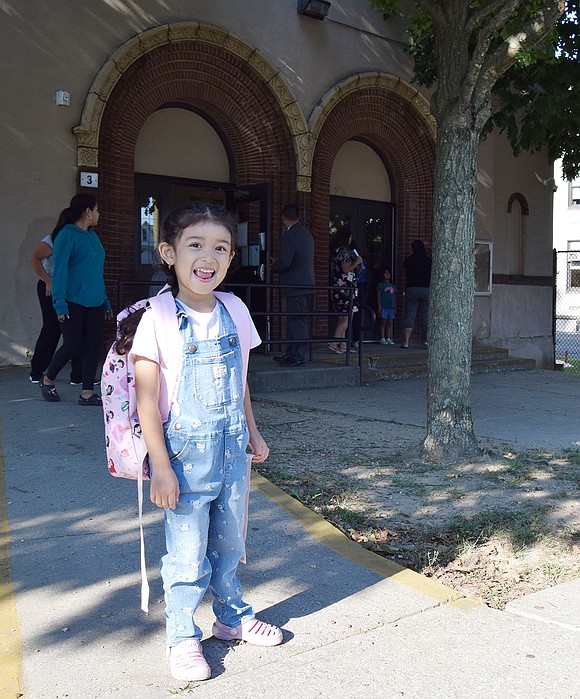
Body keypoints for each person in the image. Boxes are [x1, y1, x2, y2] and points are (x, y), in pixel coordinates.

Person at [129, 202, 283, 682]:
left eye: (220, 247)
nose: (208, 256)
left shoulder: (234, 310)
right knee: (187, 549)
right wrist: (161, 465)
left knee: (230, 540)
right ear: (168, 253)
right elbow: (147, 401)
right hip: (182, 454)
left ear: (231, 259)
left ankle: (231, 617)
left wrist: (253, 431)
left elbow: (240, 382)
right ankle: (181, 634)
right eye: (195, 245)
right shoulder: (155, 319)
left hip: (233, 448)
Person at [40, 194, 112, 405]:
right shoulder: (66, 236)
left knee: (92, 346)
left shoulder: (92, 236)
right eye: (97, 210)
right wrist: (59, 303)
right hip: (72, 301)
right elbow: (60, 272)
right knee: (72, 345)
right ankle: (48, 378)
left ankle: (87, 393)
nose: (99, 214)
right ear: (88, 212)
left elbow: (96, 273)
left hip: (96, 302)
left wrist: (105, 301)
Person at [28, 222, 81, 384]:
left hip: (69, 288)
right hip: (49, 287)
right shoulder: (53, 239)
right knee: (52, 327)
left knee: (76, 328)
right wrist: (47, 280)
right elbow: (34, 258)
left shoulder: (81, 240)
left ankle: (78, 376)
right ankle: (37, 370)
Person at [270, 204, 315, 367]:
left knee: (296, 320)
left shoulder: (289, 235)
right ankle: (292, 353)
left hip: (294, 284)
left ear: (283, 218)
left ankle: (297, 355)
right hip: (306, 283)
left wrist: (270, 268)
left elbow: (286, 262)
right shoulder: (305, 233)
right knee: (297, 319)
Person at [329, 227, 363, 353]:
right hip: (345, 290)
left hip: (339, 289)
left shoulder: (335, 250)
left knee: (342, 317)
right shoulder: (343, 250)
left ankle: (343, 345)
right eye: (349, 237)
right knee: (347, 318)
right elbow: (345, 269)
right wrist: (357, 262)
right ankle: (333, 342)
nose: (350, 239)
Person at [401, 239, 431, 348]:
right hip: (425, 289)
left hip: (411, 288)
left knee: (410, 314)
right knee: (426, 315)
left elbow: (405, 267)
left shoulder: (409, 260)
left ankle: (406, 342)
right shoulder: (428, 261)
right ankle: (428, 341)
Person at [377, 269, 397, 345]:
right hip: (384, 306)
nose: (387, 274)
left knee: (390, 322)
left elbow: (395, 297)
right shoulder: (380, 285)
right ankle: (382, 337)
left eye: (388, 273)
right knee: (383, 321)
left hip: (391, 306)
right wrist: (379, 307)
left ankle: (388, 337)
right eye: (385, 273)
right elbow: (378, 296)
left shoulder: (393, 286)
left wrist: (395, 307)